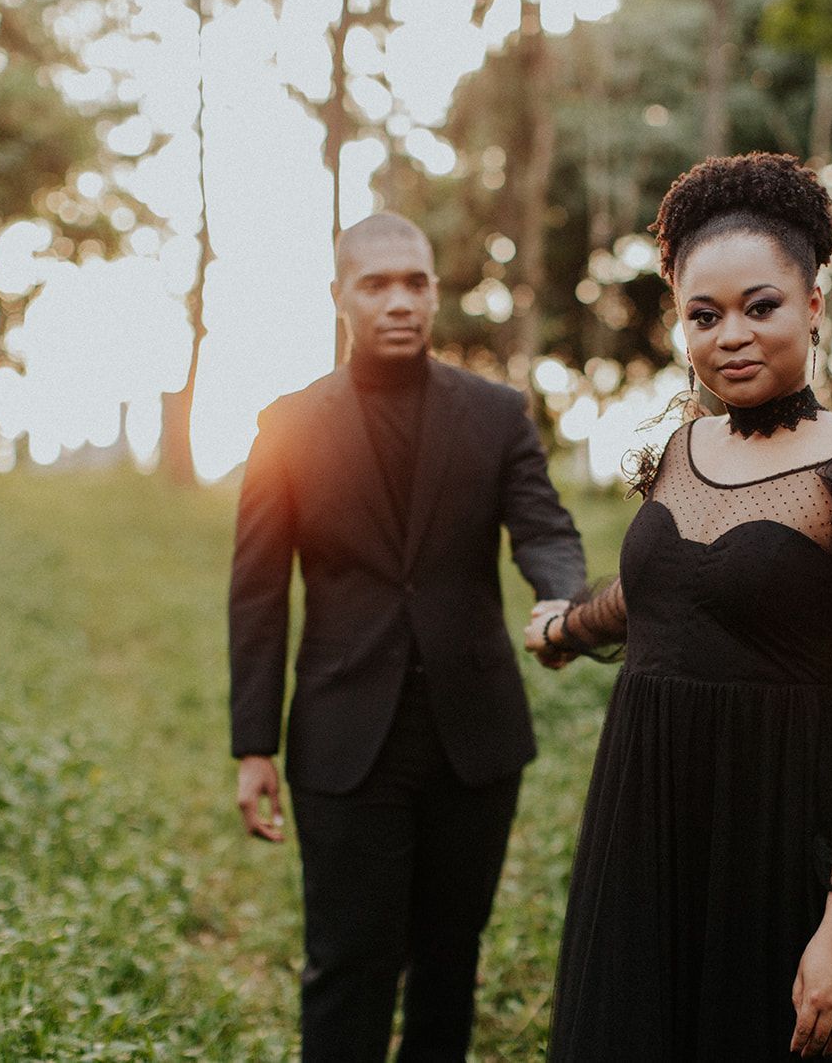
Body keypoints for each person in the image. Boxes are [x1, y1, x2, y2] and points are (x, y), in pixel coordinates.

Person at [524, 153, 832, 1061]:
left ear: (815, 306)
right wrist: (565, 628)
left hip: (776, 833)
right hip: (646, 815)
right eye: (703, 316)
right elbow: (659, 593)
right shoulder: (680, 449)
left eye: (762, 307)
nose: (732, 336)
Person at [230, 212, 587, 1062]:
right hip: (345, 737)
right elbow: (256, 594)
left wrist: (562, 600)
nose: (400, 301)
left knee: (448, 960)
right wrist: (253, 747)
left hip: (476, 737)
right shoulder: (284, 424)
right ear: (340, 297)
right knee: (349, 963)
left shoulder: (496, 414)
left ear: (436, 290)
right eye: (377, 284)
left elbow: (543, 527)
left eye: (416, 282)